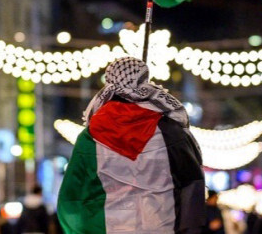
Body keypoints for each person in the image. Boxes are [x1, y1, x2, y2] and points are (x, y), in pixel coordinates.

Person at [57, 57, 206, 233]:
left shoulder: (89, 138)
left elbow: (72, 197)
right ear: (145, 82)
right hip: (161, 226)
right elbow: (191, 185)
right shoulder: (171, 131)